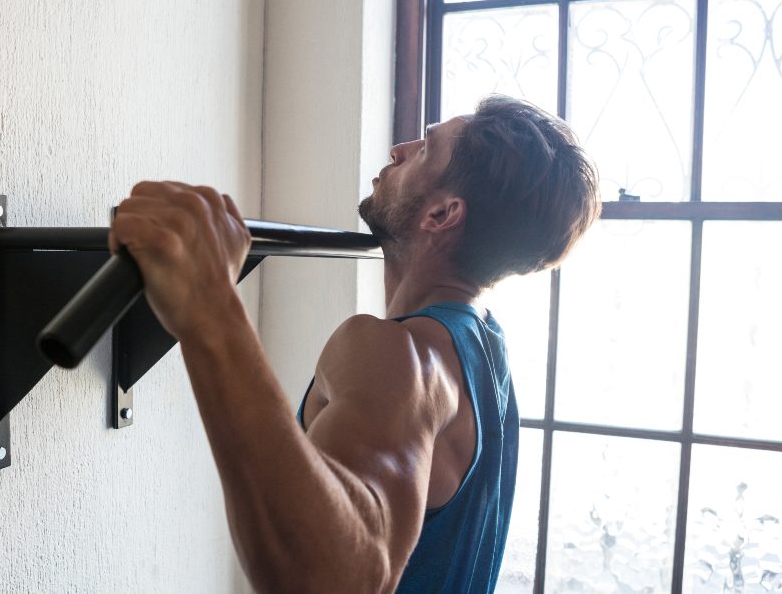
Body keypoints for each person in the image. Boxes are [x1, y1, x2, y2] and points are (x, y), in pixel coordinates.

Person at [108, 95, 600, 593]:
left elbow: (336, 580)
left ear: (441, 214)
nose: (399, 149)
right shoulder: (484, 347)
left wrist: (209, 303)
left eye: (425, 149)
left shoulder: (398, 354)